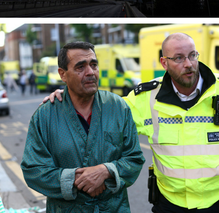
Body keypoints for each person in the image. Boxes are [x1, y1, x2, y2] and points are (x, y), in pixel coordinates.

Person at [46, 33, 219, 212]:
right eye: (179, 58)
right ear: (164, 63)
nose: (189, 64)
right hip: (170, 204)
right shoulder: (146, 97)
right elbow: (106, 117)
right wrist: (69, 96)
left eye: (193, 55)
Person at [22, 42, 145, 212]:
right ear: (62, 74)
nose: (90, 72)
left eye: (94, 65)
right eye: (80, 67)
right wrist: (76, 179)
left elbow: (134, 158)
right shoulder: (45, 116)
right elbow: (33, 170)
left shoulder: (117, 106)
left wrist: (105, 171)